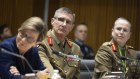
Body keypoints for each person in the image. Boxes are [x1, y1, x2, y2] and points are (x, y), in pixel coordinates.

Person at [38, 7, 82, 79]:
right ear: (52, 21)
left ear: (71, 27)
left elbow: (76, 76)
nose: (64, 24)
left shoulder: (75, 48)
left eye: (68, 22)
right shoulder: (42, 43)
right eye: (61, 20)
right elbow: (47, 72)